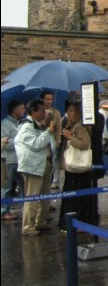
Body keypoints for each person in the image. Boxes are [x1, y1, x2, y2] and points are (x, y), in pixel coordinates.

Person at [16, 99, 57, 236]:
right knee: (32, 198)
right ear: (33, 112)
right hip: (32, 167)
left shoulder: (39, 125)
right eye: (42, 110)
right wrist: (48, 132)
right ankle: (28, 226)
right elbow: (36, 143)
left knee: (45, 197)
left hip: (44, 164)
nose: (44, 112)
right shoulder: (26, 127)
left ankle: (40, 221)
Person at [57, 99, 100, 231]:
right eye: (68, 110)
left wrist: (71, 138)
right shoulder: (71, 125)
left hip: (78, 169)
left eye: (72, 111)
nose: (69, 113)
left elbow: (86, 144)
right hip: (71, 169)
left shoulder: (80, 126)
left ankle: (78, 223)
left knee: (76, 199)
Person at [1, 100, 26, 220]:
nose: (24, 110)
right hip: (9, 160)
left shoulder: (20, 123)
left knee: (24, 184)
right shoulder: (4, 124)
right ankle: (4, 211)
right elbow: (4, 143)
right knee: (7, 186)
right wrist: (18, 140)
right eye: (22, 108)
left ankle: (25, 207)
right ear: (15, 110)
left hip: (20, 159)